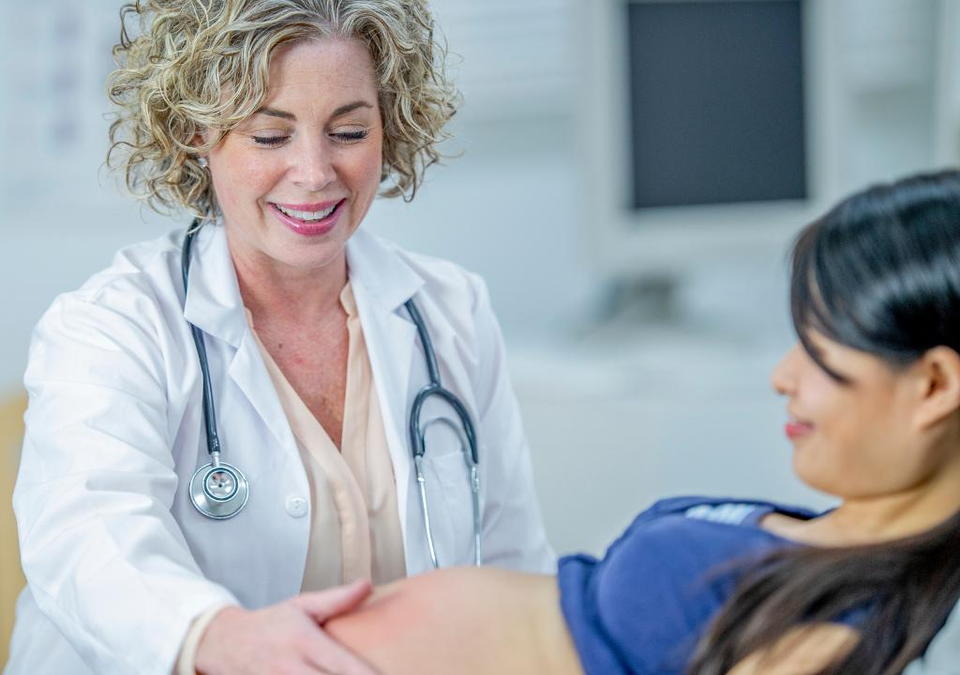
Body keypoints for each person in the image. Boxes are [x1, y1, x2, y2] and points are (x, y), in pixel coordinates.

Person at [7, 1, 554, 673]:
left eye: (349, 131)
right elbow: (87, 534)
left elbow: (513, 567)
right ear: (195, 134)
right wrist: (211, 634)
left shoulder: (450, 312)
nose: (316, 171)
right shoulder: (113, 328)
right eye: (271, 137)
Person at [323, 169, 960, 674]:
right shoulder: (834, 545)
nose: (783, 376)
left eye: (819, 351)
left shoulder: (830, 637)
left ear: (934, 385)